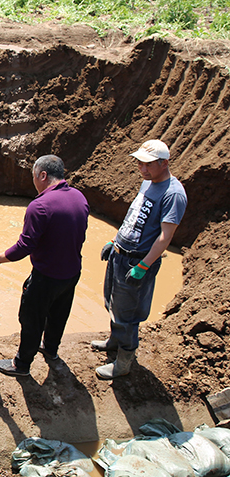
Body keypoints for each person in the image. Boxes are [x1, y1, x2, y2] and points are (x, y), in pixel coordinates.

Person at [0, 155, 90, 377]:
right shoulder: (79, 197)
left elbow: (23, 247)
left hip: (46, 276)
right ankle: (50, 349)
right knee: (59, 314)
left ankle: (21, 365)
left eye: (33, 176)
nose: (33, 182)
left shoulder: (39, 206)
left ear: (43, 175)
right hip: (72, 273)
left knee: (31, 319)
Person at [92, 140, 187, 379]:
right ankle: (114, 341)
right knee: (113, 302)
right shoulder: (148, 183)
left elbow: (165, 237)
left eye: (147, 164)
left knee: (129, 313)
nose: (142, 169)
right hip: (120, 254)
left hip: (137, 261)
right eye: (139, 163)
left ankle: (124, 361)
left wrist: (143, 266)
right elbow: (133, 217)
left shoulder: (173, 194)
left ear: (164, 163)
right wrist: (115, 242)